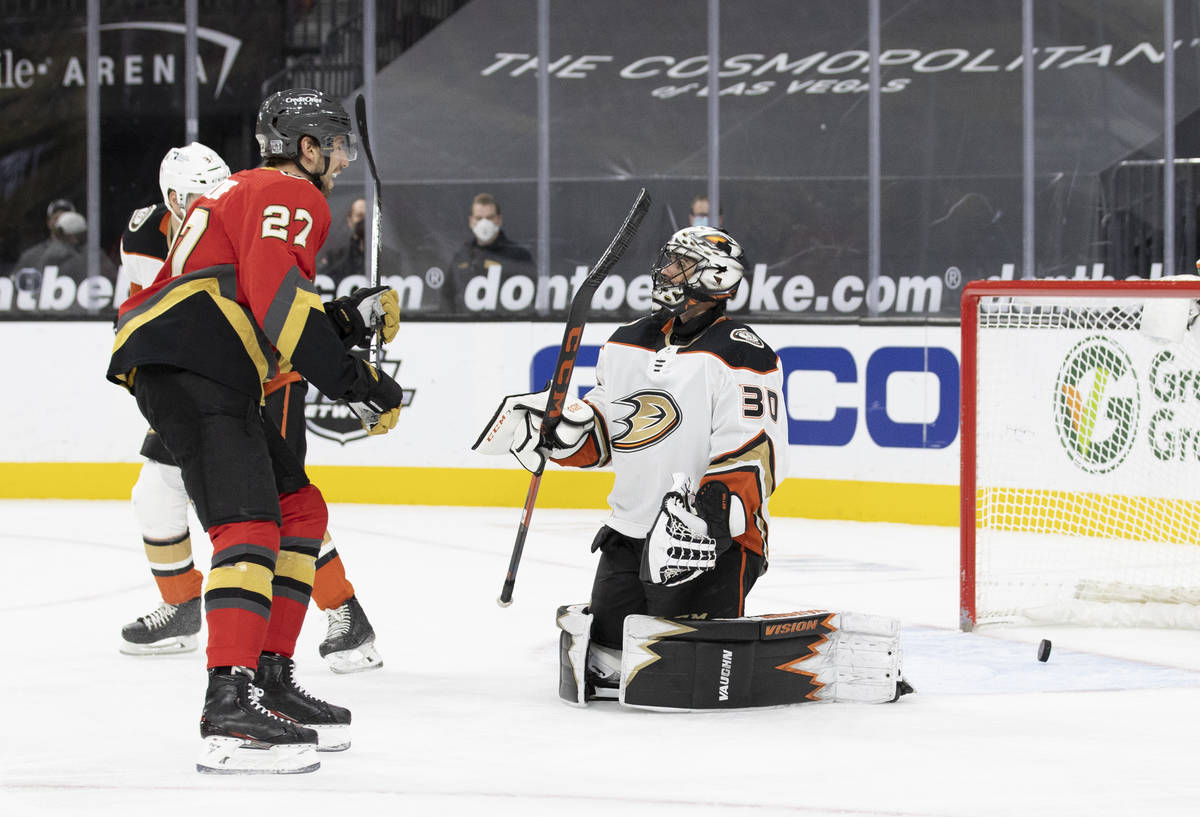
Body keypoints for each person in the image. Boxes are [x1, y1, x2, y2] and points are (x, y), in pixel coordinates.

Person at [107, 89, 404, 774]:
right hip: (196, 364)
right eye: (331, 143)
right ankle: (229, 703)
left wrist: (348, 322)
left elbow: (254, 298)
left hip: (198, 359)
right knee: (246, 524)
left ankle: (269, 678)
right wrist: (360, 382)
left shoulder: (244, 190)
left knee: (300, 508)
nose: (340, 158)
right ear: (304, 147)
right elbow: (276, 307)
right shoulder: (291, 195)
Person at [473, 225, 789, 700]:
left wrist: (705, 519)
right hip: (630, 532)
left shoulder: (743, 353)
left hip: (711, 545)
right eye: (668, 260)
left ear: (716, 277)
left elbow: (757, 455)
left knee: (683, 667)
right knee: (605, 662)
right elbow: (607, 434)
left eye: (681, 264)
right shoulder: (628, 340)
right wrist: (560, 435)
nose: (666, 271)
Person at [118, 147, 384, 675]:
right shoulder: (147, 234)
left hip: (272, 376)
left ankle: (343, 611)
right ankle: (183, 603)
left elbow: (279, 312)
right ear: (173, 201)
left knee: (279, 505)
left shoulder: (256, 207)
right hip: (203, 376)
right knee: (157, 487)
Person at [446, 192, 533, 312]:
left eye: (489, 218)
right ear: (471, 221)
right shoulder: (461, 257)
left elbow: (530, 299)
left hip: (507, 326)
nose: (484, 223)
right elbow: (447, 298)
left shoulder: (517, 255)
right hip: (466, 327)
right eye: (479, 218)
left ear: (499, 220)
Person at [317, 197, 366, 283]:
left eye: (369, 216)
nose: (364, 221)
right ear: (350, 220)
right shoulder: (335, 258)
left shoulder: (390, 258)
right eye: (359, 216)